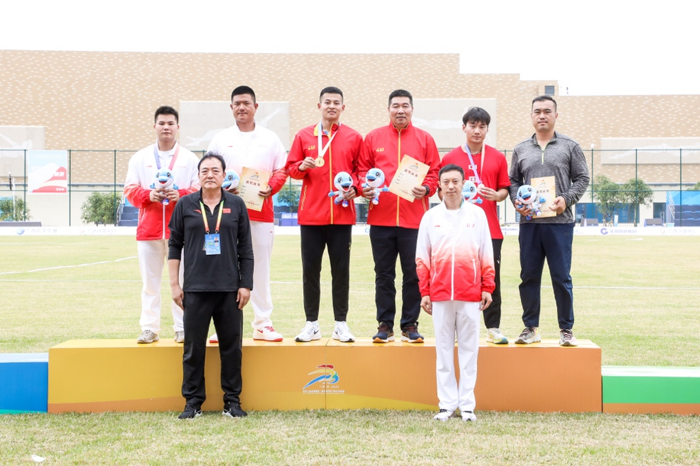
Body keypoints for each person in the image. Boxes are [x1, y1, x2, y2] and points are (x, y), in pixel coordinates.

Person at [168, 153, 253, 419]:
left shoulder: (236, 204)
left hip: (230, 290)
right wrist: (174, 285)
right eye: (204, 170)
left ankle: (232, 402)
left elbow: (246, 248)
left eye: (215, 170)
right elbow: (174, 246)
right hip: (195, 289)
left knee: (232, 349)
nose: (210, 175)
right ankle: (193, 402)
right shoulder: (185, 204)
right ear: (198, 175)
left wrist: (246, 285)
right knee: (193, 349)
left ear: (224, 175)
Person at [207, 86, 288, 342]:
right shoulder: (220, 139)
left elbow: (282, 170)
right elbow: (209, 170)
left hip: (261, 212)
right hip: (226, 213)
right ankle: (224, 325)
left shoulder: (270, 139)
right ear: (231, 107)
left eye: (246, 103)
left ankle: (263, 324)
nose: (241, 107)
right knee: (226, 267)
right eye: (237, 103)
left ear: (256, 107)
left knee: (260, 268)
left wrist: (271, 187)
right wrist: (220, 186)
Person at [359, 89, 440, 343]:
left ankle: (410, 324)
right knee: (383, 274)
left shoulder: (425, 139)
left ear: (412, 109)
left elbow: (435, 173)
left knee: (413, 274)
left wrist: (426, 188)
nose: (400, 110)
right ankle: (385, 325)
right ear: (388, 109)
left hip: (414, 220)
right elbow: (362, 170)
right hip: (380, 219)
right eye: (396, 106)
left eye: (405, 106)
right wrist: (364, 186)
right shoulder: (373, 138)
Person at [509, 95, 590, 346]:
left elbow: (583, 178)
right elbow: (513, 181)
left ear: (556, 115)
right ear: (531, 116)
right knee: (529, 277)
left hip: (560, 224)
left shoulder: (570, 146)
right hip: (530, 224)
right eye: (537, 111)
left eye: (547, 111)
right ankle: (530, 328)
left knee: (561, 278)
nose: (542, 115)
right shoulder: (520, 149)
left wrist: (567, 199)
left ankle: (566, 330)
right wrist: (517, 202)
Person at [416, 164, 494, 422]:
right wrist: (425, 291)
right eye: (446, 182)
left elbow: (486, 253)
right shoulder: (430, 217)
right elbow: (422, 257)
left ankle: (467, 405)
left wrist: (487, 286)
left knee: (469, 351)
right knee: (444, 351)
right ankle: (447, 404)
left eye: (455, 181)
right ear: (439, 185)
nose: (451, 186)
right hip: (439, 294)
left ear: (463, 184)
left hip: (470, 293)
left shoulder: (478, 215)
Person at [286, 86, 363, 343]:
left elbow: (361, 171)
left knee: (341, 272)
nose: (331, 106)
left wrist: (355, 188)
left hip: (341, 214)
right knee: (310, 272)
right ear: (319, 105)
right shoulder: (303, 135)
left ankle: (341, 324)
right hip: (311, 215)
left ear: (343, 107)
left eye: (336, 102)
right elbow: (291, 169)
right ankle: (312, 324)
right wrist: (301, 166)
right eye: (327, 102)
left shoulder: (353, 137)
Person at [124, 106, 200, 344]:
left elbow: (199, 189)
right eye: (161, 123)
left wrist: (182, 194)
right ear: (154, 126)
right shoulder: (140, 158)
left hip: (182, 232)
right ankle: (150, 328)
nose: (166, 127)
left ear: (178, 127)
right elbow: (129, 190)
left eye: (170, 123)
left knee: (184, 282)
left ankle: (182, 327)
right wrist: (148, 195)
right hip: (149, 231)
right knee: (150, 283)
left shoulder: (190, 158)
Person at [440, 107, 510, 344]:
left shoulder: (497, 157)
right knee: (456, 277)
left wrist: (497, 196)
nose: (477, 130)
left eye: (482, 126)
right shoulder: (449, 158)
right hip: (456, 230)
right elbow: (441, 192)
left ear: (487, 129)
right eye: (472, 126)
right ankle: (456, 329)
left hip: (489, 229)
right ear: (464, 127)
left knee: (491, 279)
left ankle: (493, 327)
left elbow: (504, 189)